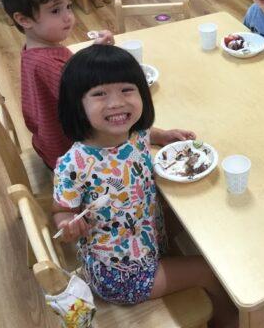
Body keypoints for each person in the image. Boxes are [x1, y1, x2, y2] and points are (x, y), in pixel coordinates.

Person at [53, 45, 236, 327]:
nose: (116, 103)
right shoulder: (74, 164)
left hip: (148, 238)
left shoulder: (132, 133)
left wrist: (163, 135)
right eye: (100, 94)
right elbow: (61, 209)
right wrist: (67, 222)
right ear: (77, 104)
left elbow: (144, 132)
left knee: (200, 223)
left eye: (127, 90)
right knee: (210, 271)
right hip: (120, 275)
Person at [0, 0, 114, 169]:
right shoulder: (47, 64)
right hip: (73, 158)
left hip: (50, 145)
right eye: (55, 11)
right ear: (24, 20)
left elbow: (72, 71)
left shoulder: (37, 50)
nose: (68, 16)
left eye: (68, 6)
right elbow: (92, 108)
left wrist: (94, 49)